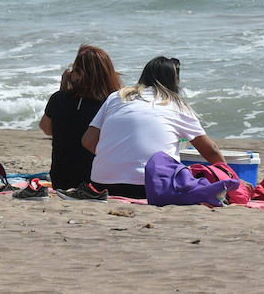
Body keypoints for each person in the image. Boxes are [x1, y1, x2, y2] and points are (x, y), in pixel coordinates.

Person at [78, 56, 224, 198]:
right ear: (174, 81)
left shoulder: (117, 96)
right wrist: (227, 175)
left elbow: (88, 141)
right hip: (151, 187)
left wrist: (119, 156)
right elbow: (211, 150)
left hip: (101, 184)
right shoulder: (176, 104)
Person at [40, 45, 122, 189]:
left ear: (77, 73)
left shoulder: (59, 98)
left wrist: (62, 89)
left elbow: (46, 129)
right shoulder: (111, 103)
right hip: (96, 182)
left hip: (61, 180)